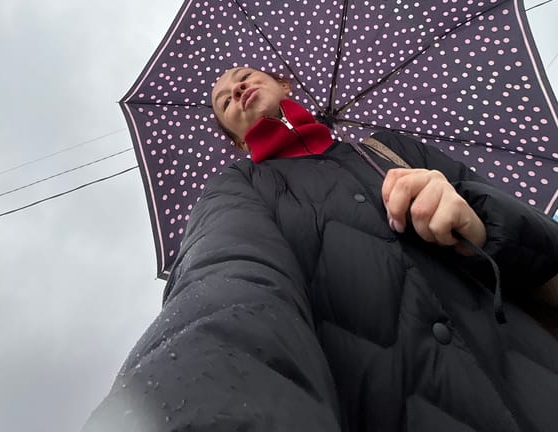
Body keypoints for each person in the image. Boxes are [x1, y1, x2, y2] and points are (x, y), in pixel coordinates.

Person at [83, 66, 558, 432]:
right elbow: (227, 281)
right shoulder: (238, 188)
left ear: (283, 84)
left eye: (245, 76)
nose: (235, 89)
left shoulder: (387, 149)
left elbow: (542, 247)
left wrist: (477, 220)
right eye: (224, 101)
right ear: (232, 137)